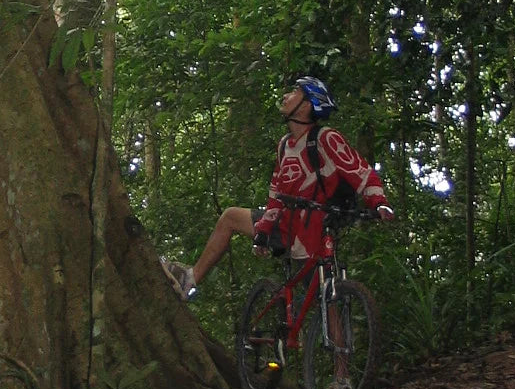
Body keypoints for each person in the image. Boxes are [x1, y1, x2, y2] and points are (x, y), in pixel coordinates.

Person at [162, 76, 394, 300]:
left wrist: (379, 203)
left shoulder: (326, 138)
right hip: (286, 226)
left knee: (328, 301)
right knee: (230, 217)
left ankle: (332, 332)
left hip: (315, 232)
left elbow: (360, 172)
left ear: (306, 106)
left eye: (295, 92)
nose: (286, 96)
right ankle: (190, 279)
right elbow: (277, 195)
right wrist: (264, 229)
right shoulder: (284, 145)